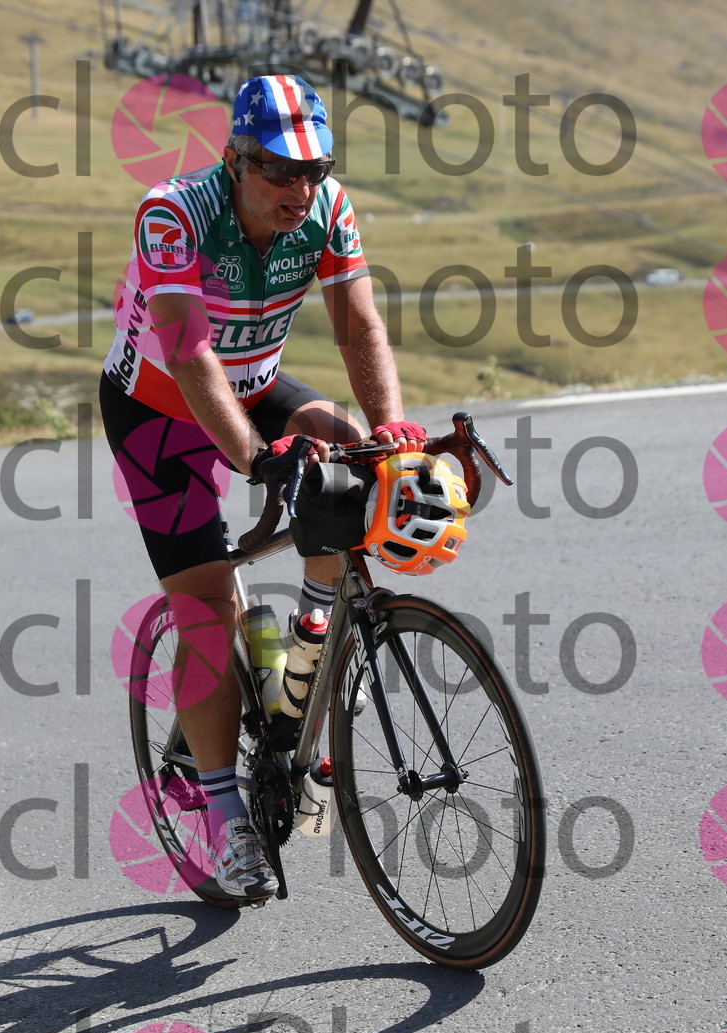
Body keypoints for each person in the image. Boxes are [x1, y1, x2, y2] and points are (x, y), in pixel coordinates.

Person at [102, 74, 425, 901]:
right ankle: (222, 815)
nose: (300, 188)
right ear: (236, 160)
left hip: (253, 382)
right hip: (158, 410)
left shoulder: (326, 210)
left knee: (353, 452)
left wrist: (389, 430)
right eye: (280, 170)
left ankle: (303, 666)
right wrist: (253, 458)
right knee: (208, 610)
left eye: (313, 170)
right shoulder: (172, 214)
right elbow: (187, 352)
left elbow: (359, 325)